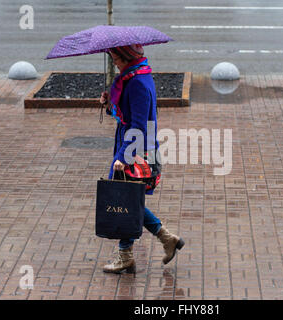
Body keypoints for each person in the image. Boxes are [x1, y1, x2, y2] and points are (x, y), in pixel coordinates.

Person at [100, 44, 184, 274]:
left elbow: (138, 125)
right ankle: (167, 239)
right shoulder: (134, 76)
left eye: (116, 57)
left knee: (126, 201)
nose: (114, 62)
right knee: (130, 200)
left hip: (137, 150)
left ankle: (126, 255)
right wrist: (110, 104)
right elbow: (130, 115)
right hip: (134, 146)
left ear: (127, 56)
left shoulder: (137, 82)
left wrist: (124, 157)